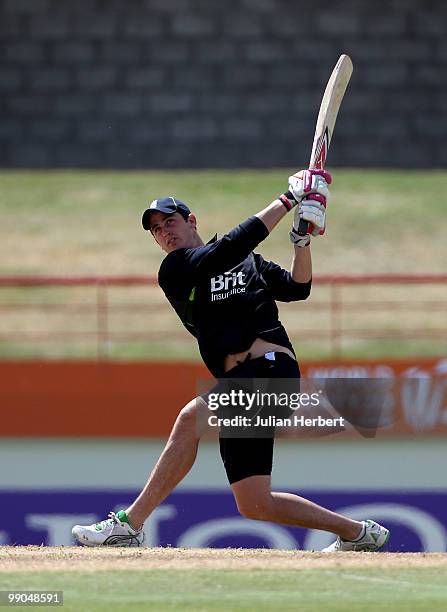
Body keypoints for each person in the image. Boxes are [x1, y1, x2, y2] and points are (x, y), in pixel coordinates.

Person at [72, 170, 389, 552]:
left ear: (191, 221)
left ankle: (129, 523)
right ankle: (359, 533)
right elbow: (223, 253)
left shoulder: (247, 262)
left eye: (169, 222)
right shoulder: (177, 270)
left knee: (190, 419)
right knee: (255, 503)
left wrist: (301, 241)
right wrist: (287, 200)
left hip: (271, 368)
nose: (164, 232)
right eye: (156, 230)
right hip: (241, 382)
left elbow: (298, 287)